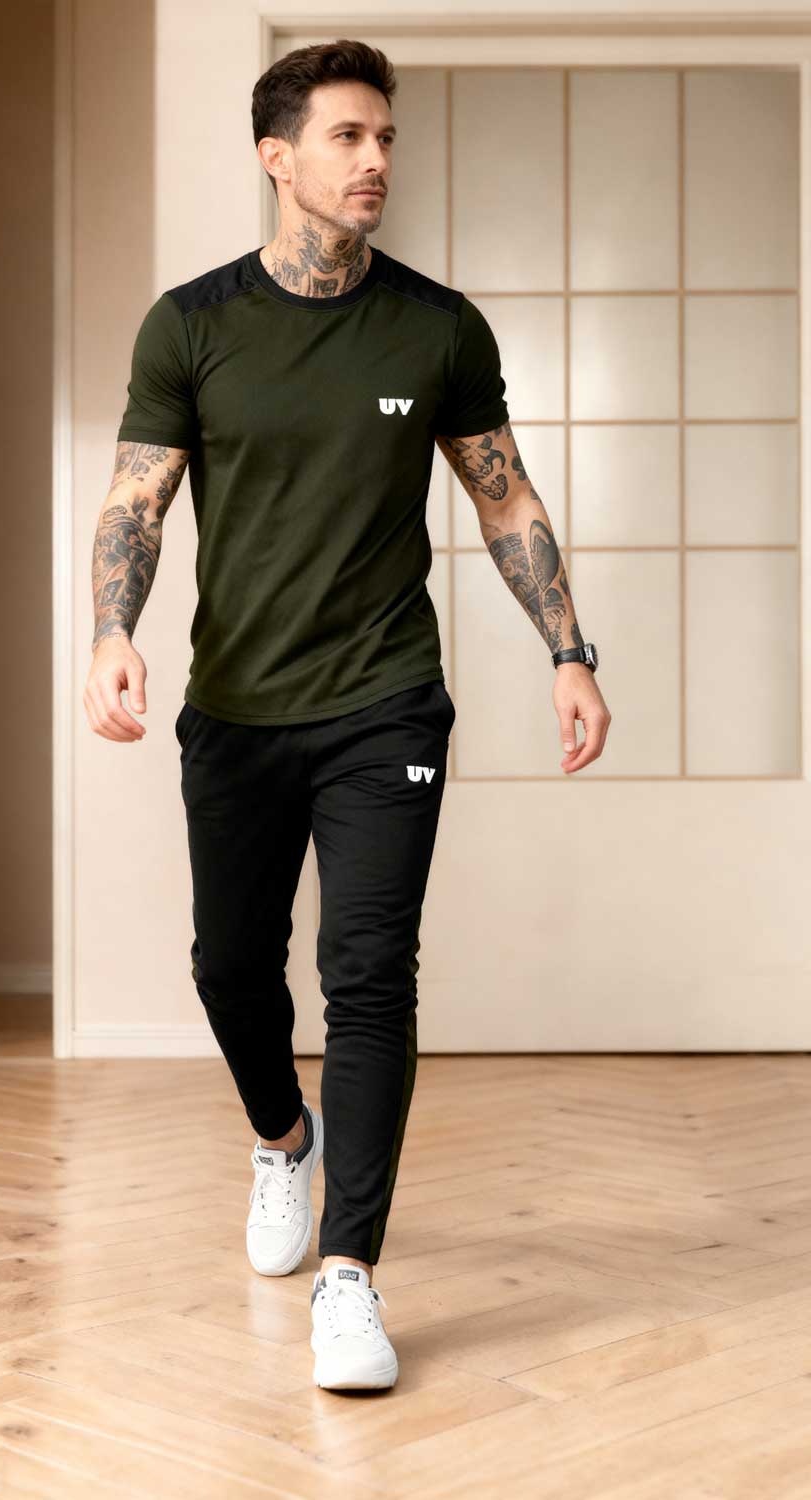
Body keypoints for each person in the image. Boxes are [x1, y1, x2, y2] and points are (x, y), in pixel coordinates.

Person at [83, 38, 611, 1393]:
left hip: (387, 705)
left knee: (371, 975)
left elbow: (504, 494)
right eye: (348, 137)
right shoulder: (191, 324)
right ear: (279, 157)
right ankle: (281, 1141)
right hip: (237, 706)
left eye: (385, 138)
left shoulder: (438, 327)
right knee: (229, 966)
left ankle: (350, 1276)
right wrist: (112, 635)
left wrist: (567, 649)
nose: (377, 160)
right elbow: (138, 499)